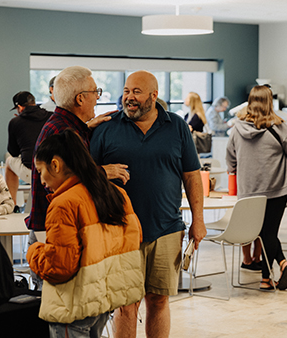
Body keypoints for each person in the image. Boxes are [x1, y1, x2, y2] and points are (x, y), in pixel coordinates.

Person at [90, 70, 206, 338]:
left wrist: (198, 221)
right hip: (119, 231)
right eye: (127, 91)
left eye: (136, 92)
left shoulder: (176, 126)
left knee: (159, 300)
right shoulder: (107, 127)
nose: (129, 98)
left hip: (166, 228)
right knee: (126, 305)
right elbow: (84, 173)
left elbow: (191, 176)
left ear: (154, 95)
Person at [27, 129, 144, 338]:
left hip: (73, 304)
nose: (40, 179)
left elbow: (60, 267)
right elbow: (134, 240)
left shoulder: (63, 204)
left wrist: (34, 252)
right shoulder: (116, 193)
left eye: (40, 170)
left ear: (55, 164)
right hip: (101, 300)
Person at [26, 65, 129, 290]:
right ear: (80, 99)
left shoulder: (69, 128)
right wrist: (103, 172)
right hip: (54, 236)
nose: (98, 98)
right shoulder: (62, 133)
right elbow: (61, 184)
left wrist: (85, 128)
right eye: (96, 92)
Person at [226, 85, 287, 290]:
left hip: (249, 191)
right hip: (278, 188)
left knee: (262, 232)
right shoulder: (280, 127)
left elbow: (230, 159)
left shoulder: (237, 128)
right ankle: (270, 275)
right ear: (269, 102)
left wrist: (241, 171)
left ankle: (276, 271)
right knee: (270, 232)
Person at [6, 91, 51, 208]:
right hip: (53, 168)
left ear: (20, 107)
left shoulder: (15, 122)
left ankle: (12, 205)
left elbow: (14, 152)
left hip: (32, 170)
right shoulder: (51, 116)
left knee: (8, 163)